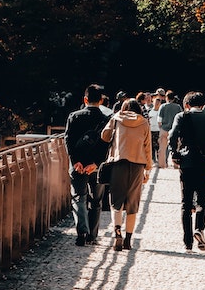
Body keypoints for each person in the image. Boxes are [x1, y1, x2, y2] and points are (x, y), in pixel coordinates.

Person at [168, 91, 205, 250]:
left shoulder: (181, 117)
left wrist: (174, 154)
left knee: (186, 203)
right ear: (203, 104)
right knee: (202, 200)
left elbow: (173, 137)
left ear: (187, 105)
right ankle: (199, 228)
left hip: (186, 162)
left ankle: (187, 241)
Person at [63, 84, 112, 245]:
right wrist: (96, 164)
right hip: (96, 167)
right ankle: (92, 235)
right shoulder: (106, 119)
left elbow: (68, 140)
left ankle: (82, 233)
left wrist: (75, 161)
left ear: (85, 99)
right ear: (101, 100)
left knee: (79, 197)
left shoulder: (74, 116)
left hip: (77, 165)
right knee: (96, 200)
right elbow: (107, 144)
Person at [100, 97, 152, 250]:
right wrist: (148, 169)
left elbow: (104, 136)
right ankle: (128, 238)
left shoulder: (116, 118)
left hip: (118, 163)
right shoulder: (144, 122)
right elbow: (147, 147)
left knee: (116, 201)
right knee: (132, 202)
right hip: (137, 165)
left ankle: (117, 232)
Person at [156, 90, 183, 168]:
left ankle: (162, 164)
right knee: (176, 148)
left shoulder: (163, 106)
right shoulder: (178, 107)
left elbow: (159, 120)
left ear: (166, 98)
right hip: (175, 130)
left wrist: (161, 128)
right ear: (174, 98)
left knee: (162, 148)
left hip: (164, 129)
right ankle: (176, 164)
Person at [145, 92, 162, 165]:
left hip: (158, 131)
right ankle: (153, 160)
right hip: (151, 130)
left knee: (158, 147)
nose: (157, 104)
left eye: (158, 103)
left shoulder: (160, 112)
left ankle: (159, 160)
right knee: (151, 146)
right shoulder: (149, 111)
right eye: (155, 103)